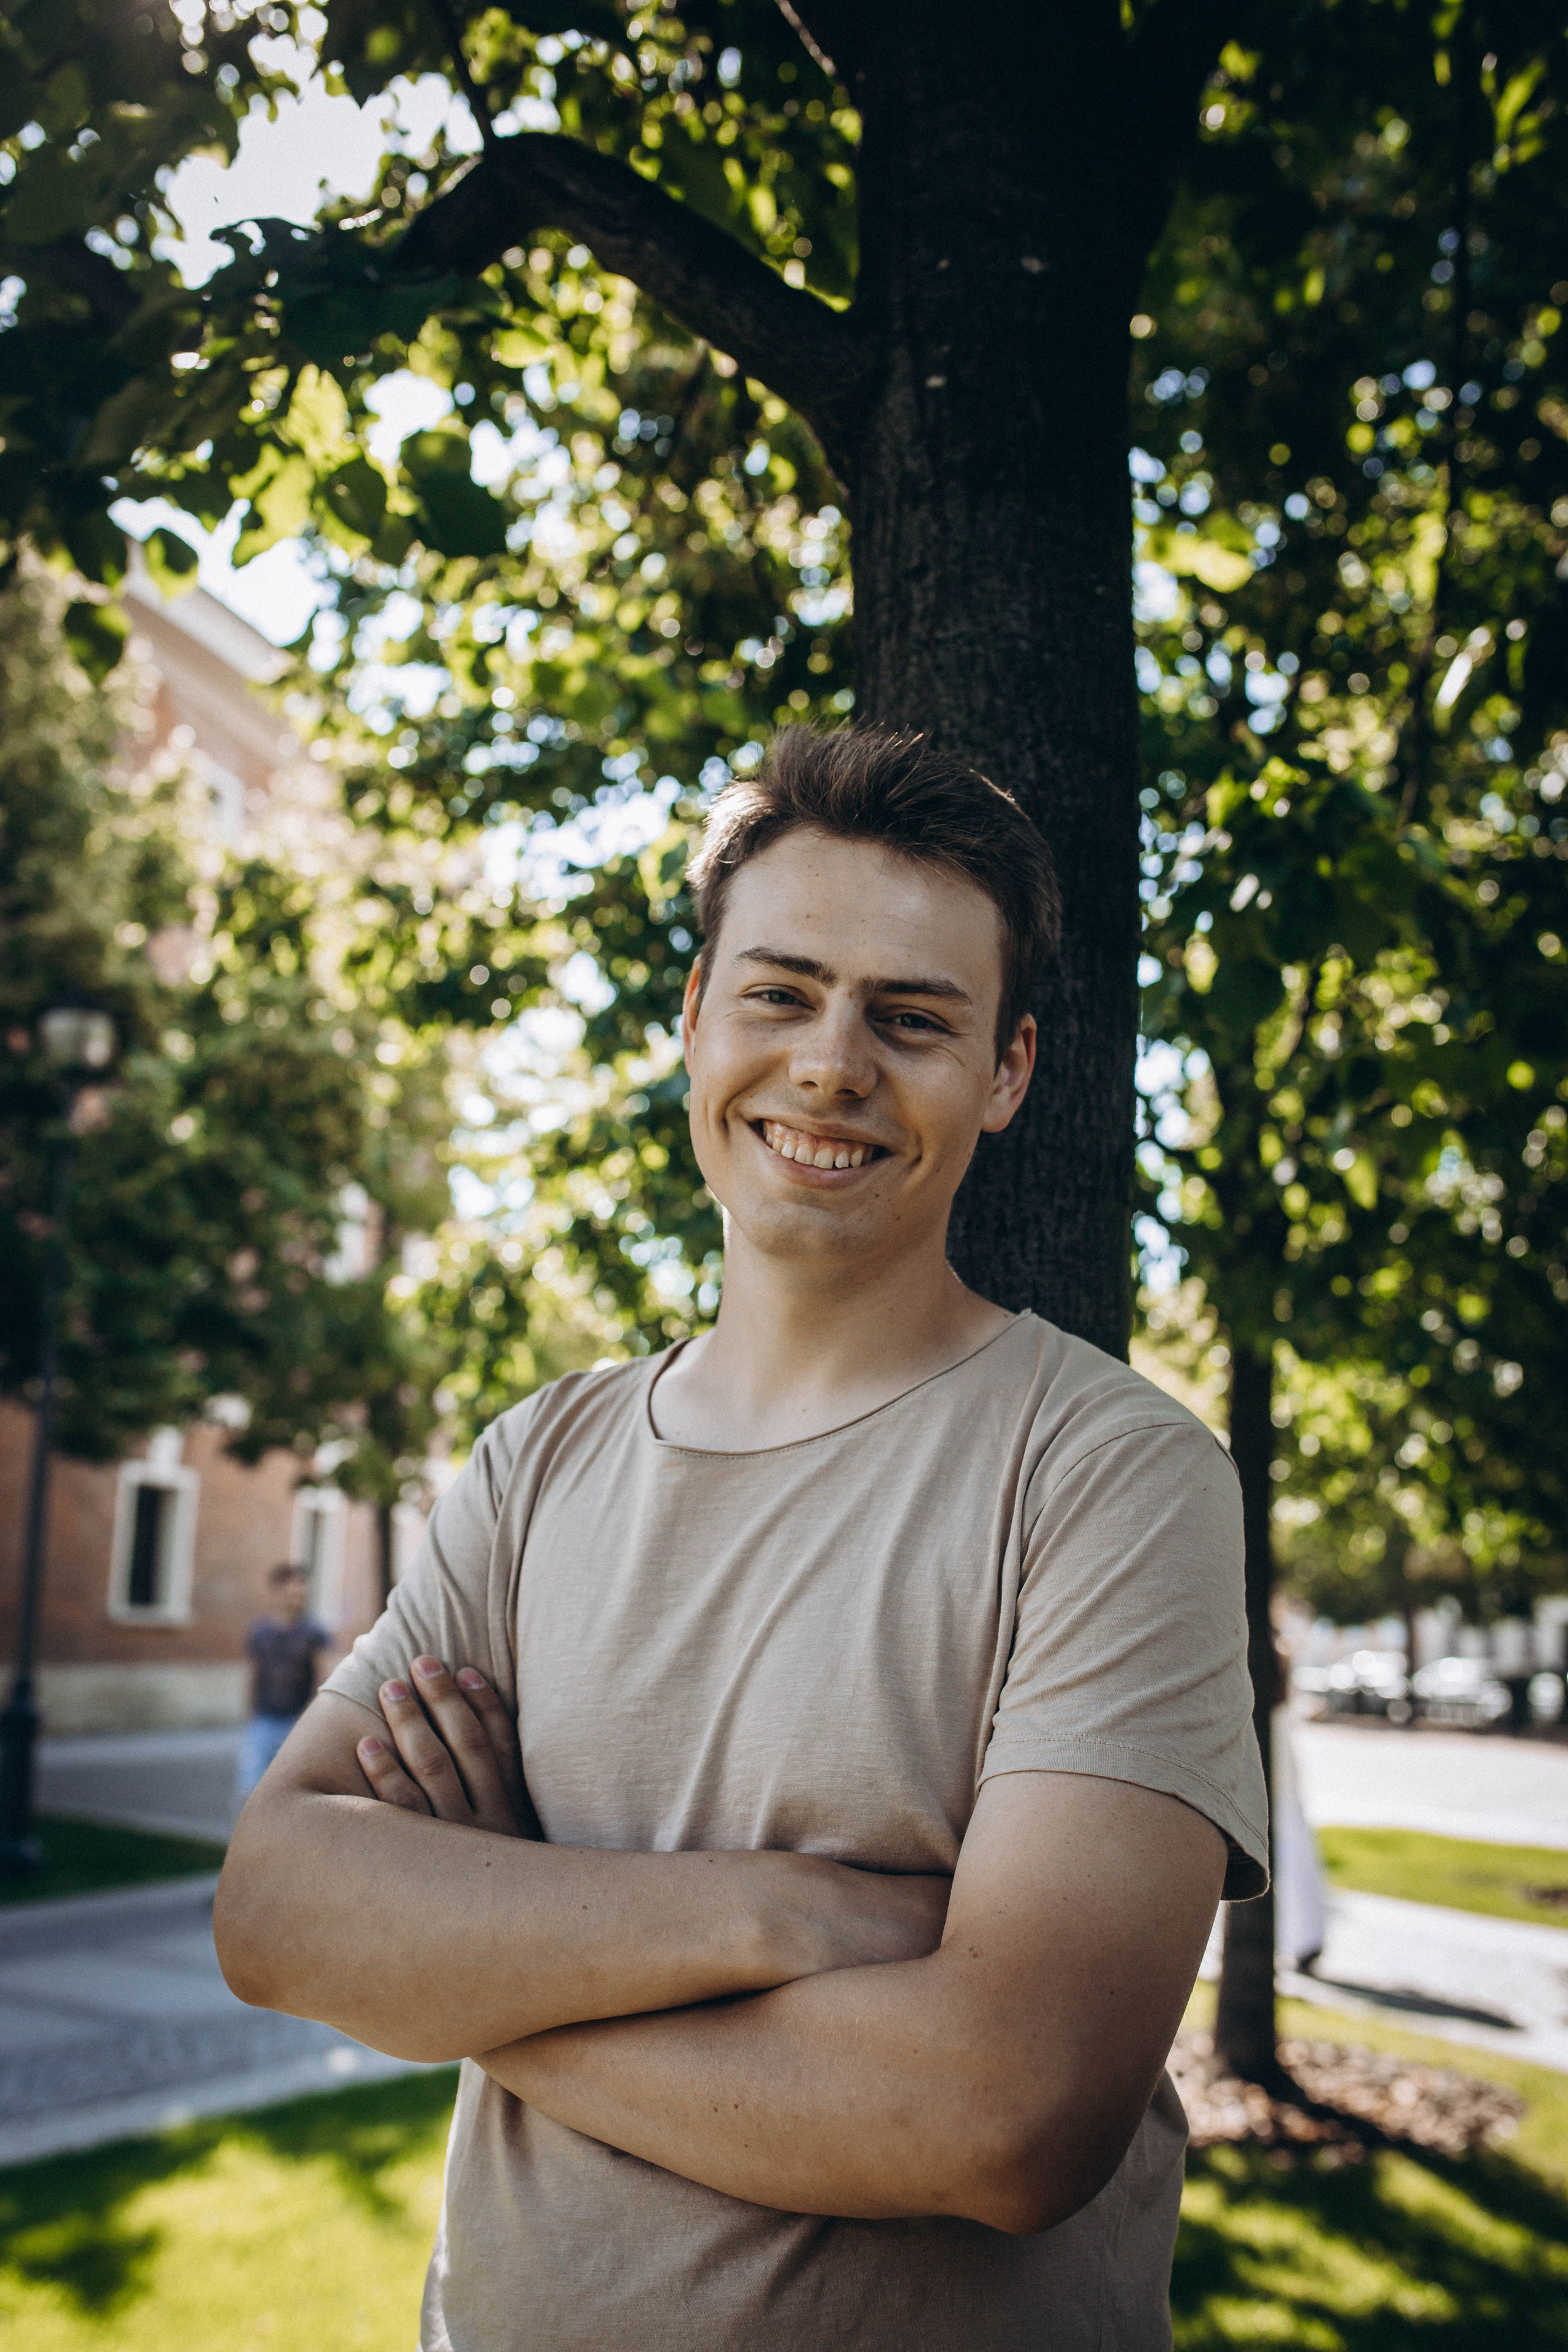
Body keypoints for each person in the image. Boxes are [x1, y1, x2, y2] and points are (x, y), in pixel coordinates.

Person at [216, 728, 1267, 2352]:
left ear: (1008, 1074)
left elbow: (1008, 2116)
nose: (834, 1065)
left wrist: (484, 1962)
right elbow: (278, 1907)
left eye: (912, 1020)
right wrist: (777, 1913)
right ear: (695, 1018)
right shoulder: (534, 1461)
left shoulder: (1114, 1479)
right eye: (780, 992)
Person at [234, 1563, 332, 1803]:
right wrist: (249, 1713)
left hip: (297, 1722)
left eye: (302, 1594)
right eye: (292, 1594)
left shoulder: (314, 1632)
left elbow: (324, 1678)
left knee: (291, 1791)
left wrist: (312, 1718)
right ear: (277, 1592)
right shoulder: (260, 1631)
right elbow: (253, 1673)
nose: (298, 1599)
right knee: (249, 1788)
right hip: (264, 1720)